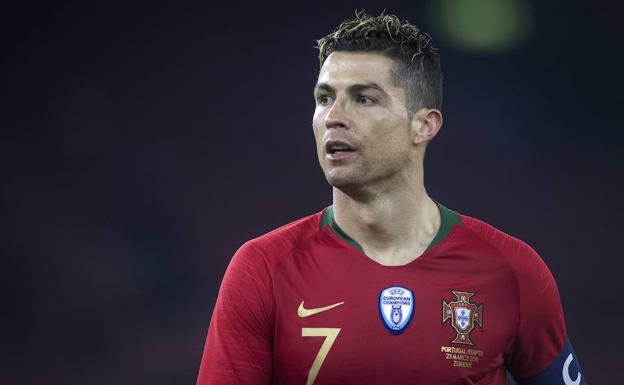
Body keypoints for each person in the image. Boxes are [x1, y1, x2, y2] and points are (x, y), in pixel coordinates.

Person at [195, 12, 586, 385]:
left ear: (424, 126)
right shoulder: (263, 269)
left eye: (364, 99)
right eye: (325, 98)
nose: (334, 116)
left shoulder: (512, 271)